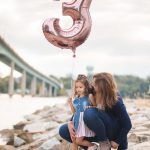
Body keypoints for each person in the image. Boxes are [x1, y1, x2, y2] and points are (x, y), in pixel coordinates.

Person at [59, 72, 132, 150]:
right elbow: (81, 109)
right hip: (96, 130)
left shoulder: (115, 99)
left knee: (89, 113)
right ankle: (93, 148)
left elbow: (127, 124)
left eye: (94, 83)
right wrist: (70, 122)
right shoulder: (92, 92)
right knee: (64, 130)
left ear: (102, 86)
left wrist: (118, 142)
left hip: (111, 132)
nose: (91, 85)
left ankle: (104, 143)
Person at [67, 74, 98, 150]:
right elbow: (74, 112)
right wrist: (70, 103)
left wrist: (91, 107)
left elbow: (97, 107)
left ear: (86, 87)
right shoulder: (76, 99)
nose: (78, 89)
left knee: (78, 141)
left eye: (80, 87)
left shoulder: (89, 97)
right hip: (76, 121)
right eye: (76, 87)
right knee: (74, 141)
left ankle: (93, 146)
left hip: (84, 122)